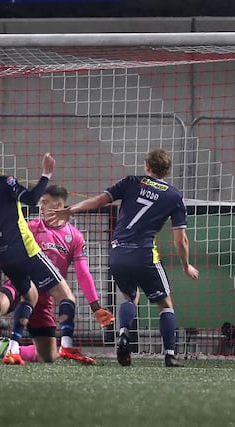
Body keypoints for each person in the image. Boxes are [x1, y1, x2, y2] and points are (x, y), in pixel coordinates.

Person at [47, 148, 199, 368]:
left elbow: (99, 200)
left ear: (147, 166)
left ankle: (123, 334)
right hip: (144, 254)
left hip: (118, 253)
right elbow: (180, 240)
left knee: (130, 298)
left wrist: (71, 210)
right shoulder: (174, 196)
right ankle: (169, 355)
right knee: (165, 305)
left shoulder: (130, 182)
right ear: (167, 171)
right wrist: (186, 266)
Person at [0, 185, 114, 364]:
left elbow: (83, 273)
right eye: (40, 202)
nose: (40, 206)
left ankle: (8, 347)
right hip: (22, 283)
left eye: (45, 202)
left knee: (48, 356)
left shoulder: (75, 237)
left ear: (58, 205)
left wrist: (95, 305)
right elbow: (7, 248)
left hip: (45, 296)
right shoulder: (31, 226)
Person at [0, 147, 80, 366]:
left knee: (29, 298)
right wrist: (46, 174)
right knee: (67, 297)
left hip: (4, 256)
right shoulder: (5, 183)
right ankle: (67, 346)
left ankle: (13, 348)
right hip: (25, 250)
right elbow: (31, 198)